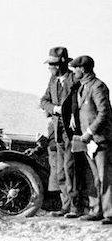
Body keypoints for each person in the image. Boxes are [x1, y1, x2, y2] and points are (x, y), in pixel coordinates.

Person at [39, 47, 83, 218]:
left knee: (70, 169)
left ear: (61, 65)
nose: (50, 68)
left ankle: (75, 207)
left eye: (52, 65)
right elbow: (43, 101)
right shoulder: (53, 80)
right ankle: (66, 206)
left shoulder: (75, 79)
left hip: (73, 132)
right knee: (61, 172)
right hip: (58, 131)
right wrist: (54, 108)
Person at [70, 55, 112, 224]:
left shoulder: (98, 86)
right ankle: (96, 210)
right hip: (88, 141)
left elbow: (104, 113)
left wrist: (89, 131)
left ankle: (109, 213)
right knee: (93, 177)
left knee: (105, 177)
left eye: (75, 69)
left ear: (83, 69)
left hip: (100, 140)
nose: (73, 72)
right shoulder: (82, 87)